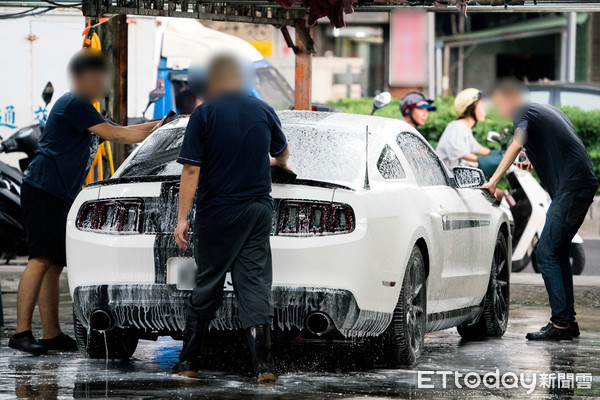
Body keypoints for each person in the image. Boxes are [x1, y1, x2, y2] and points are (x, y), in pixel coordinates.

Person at [8, 50, 160, 355]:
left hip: (60, 193)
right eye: (98, 77)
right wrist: (155, 129)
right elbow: (117, 134)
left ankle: (51, 334)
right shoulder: (73, 103)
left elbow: (126, 130)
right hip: (44, 189)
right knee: (39, 260)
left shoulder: (86, 110)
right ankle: (21, 332)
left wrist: (163, 125)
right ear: (82, 78)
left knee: (53, 264)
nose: (102, 83)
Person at [172, 54, 290, 383]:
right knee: (253, 285)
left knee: (208, 283)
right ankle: (264, 366)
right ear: (239, 79)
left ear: (213, 82)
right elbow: (281, 153)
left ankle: (188, 364)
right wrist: (277, 165)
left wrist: (183, 218)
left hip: (217, 213)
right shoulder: (263, 110)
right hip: (256, 212)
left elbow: (192, 168)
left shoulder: (204, 114)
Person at [483, 79, 598, 341]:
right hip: (579, 185)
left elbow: (516, 143)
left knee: (546, 250)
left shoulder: (522, 113)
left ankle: (560, 323)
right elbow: (559, 145)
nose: (498, 109)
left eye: (499, 103)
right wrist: (532, 161)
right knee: (556, 250)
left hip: (572, 188)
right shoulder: (546, 110)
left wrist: (493, 181)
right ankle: (567, 321)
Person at [436, 88, 491, 168]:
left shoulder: (465, 128)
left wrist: (497, 154)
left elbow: (476, 147)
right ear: (470, 107)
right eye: (481, 105)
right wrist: (484, 160)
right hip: (446, 178)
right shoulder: (456, 127)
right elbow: (459, 153)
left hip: (458, 177)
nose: (485, 110)